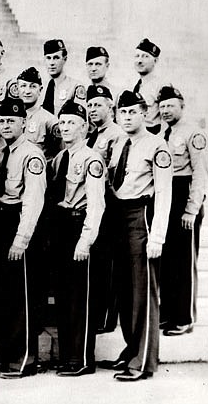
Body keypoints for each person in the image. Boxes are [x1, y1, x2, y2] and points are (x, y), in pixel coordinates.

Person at [100, 90, 172, 381]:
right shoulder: (119, 143)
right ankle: (131, 350)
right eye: (123, 113)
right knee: (125, 291)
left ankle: (142, 362)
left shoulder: (157, 145)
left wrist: (157, 237)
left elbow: (165, 192)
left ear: (145, 113)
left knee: (142, 290)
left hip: (140, 215)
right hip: (117, 216)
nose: (127, 117)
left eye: (133, 112)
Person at [0, 97, 46, 379]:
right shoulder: (0, 150)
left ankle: (24, 359)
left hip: (19, 223)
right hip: (0, 222)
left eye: (12, 121)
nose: (6, 125)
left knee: (22, 295)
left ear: (24, 123)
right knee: (4, 293)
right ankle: (7, 353)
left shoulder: (31, 154)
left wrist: (21, 239)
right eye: (3, 121)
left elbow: (32, 200)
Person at [48, 101, 105, 376]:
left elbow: (97, 204)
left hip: (79, 226)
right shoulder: (60, 158)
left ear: (84, 127)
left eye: (72, 122)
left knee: (80, 297)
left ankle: (82, 358)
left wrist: (86, 240)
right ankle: (67, 355)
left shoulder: (92, 159)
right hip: (61, 229)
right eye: (63, 122)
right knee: (63, 294)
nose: (66, 127)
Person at [155, 86, 206, 336]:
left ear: (182, 107)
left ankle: (185, 318)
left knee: (184, 261)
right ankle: (169, 314)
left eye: (170, 106)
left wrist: (192, 209)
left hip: (184, 196)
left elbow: (200, 173)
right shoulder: (165, 133)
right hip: (167, 197)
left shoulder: (193, 134)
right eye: (162, 106)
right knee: (167, 260)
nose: (165, 111)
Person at [85, 84, 126, 334]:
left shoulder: (116, 134)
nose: (92, 109)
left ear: (111, 106)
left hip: (111, 207)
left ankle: (107, 319)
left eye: (98, 104)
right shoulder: (93, 134)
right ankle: (98, 314)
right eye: (90, 105)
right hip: (96, 205)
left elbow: (114, 174)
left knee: (108, 266)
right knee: (98, 263)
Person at [17, 67, 61, 160]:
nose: (27, 91)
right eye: (23, 86)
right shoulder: (11, 119)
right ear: (17, 90)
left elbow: (60, 154)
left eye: (33, 86)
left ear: (40, 90)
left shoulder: (49, 120)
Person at [40, 39, 86, 115]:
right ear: (44, 60)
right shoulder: (41, 88)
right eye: (48, 58)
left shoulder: (75, 86)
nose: (52, 63)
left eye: (56, 58)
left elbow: (80, 118)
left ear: (65, 59)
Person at [132, 38, 164, 129]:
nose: (139, 60)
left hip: (154, 134)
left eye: (145, 56)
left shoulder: (161, 86)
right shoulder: (137, 86)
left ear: (155, 61)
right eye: (137, 56)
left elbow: (167, 118)